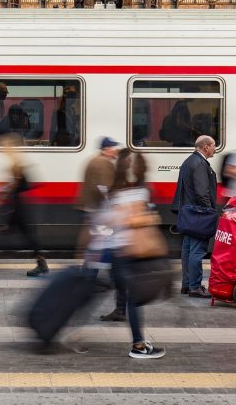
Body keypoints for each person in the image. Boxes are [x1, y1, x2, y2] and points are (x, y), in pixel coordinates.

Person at [99, 150, 166, 359]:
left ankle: (138, 342)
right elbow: (139, 220)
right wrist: (147, 218)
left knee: (127, 295)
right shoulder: (141, 192)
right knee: (134, 298)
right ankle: (138, 345)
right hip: (133, 252)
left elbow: (108, 222)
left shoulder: (113, 191)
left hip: (117, 250)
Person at [100, 149, 147, 322]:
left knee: (124, 285)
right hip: (124, 246)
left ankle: (138, 341)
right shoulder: (139, 189)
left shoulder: (123, 190)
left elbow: (113, 218)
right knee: (122, 284)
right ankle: (121, 311)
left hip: (124, 246)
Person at [172, 135, 217, 298]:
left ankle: (187, 284)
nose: (214, 149)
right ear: (205, 147)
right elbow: (202, 192)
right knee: (197, 252)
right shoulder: (199, 163)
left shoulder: (188, 161)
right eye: (213, 146)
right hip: (199, 214)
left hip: (189, 213)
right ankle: (195, 286)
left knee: (188, 250)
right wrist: (210, 212)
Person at [0, 133, 47, 276]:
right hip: (19, 204)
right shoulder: (17, 163)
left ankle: (41, 264)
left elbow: (20, 185)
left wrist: (6, 190)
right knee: (25, 235)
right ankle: (41, 263)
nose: (4, 149)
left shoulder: (16, 164)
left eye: (5, 146)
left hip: (20, 206)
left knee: (27, 236)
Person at [76, 137, 120, 251]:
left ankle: (86, 259)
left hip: (91, 205)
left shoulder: (97, 160)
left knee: (92, 234)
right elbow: (105, 187)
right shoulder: (103, 163)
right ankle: (87, 260)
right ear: (106, 149)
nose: (116, 151)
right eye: (114, 148)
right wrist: (113, 205)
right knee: (96, 237)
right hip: (96, 207)